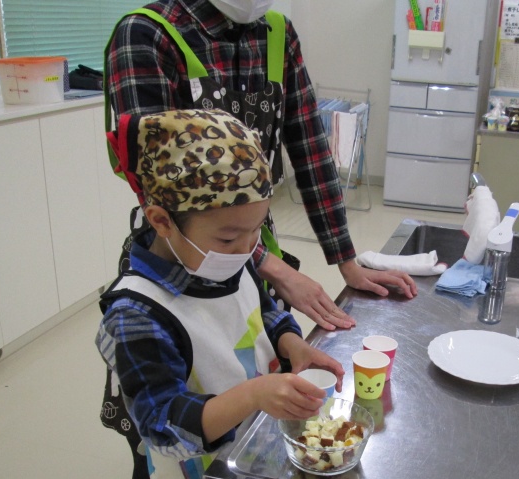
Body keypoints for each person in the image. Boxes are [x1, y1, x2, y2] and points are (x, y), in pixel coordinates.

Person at [97, 108, 345, 479]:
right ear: (161, 221)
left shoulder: (224, 261)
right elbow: (162, 425)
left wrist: (291, 343)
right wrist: (253, 394)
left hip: (251, 458)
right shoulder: (137, 312)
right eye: (229, 237)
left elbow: (260, 311)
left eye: (256, 232)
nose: (246, 249)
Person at [105, 0, 417, 330]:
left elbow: (309, 146)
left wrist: (346, 261)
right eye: (232, 239)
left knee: (263, 344)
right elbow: (154, 180)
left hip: (253, 243)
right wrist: (275, 268)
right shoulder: (147, 33)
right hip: (180, 250)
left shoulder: (277, 33)